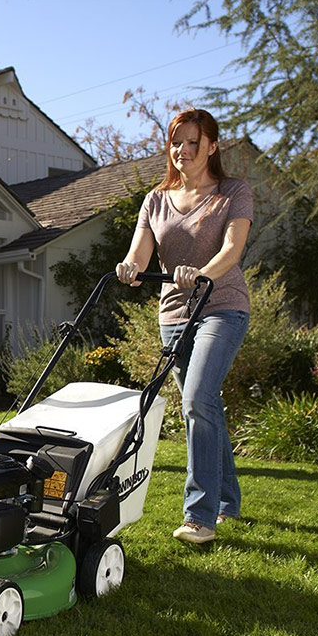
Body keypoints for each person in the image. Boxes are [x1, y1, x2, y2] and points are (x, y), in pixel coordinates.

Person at [116, 108, 253, 545]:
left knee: (196, 399)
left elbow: (232, 249)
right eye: (177, 142)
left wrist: (202, 274)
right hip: (174, 314)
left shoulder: (233, 192)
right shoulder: (155, 199)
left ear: (212, 146)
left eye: (193, 142)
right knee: (204, 404)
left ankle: (200, 517)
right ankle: (228, 500)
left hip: (222, 306)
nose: (183, 150)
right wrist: (129, 268)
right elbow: (140, 253)